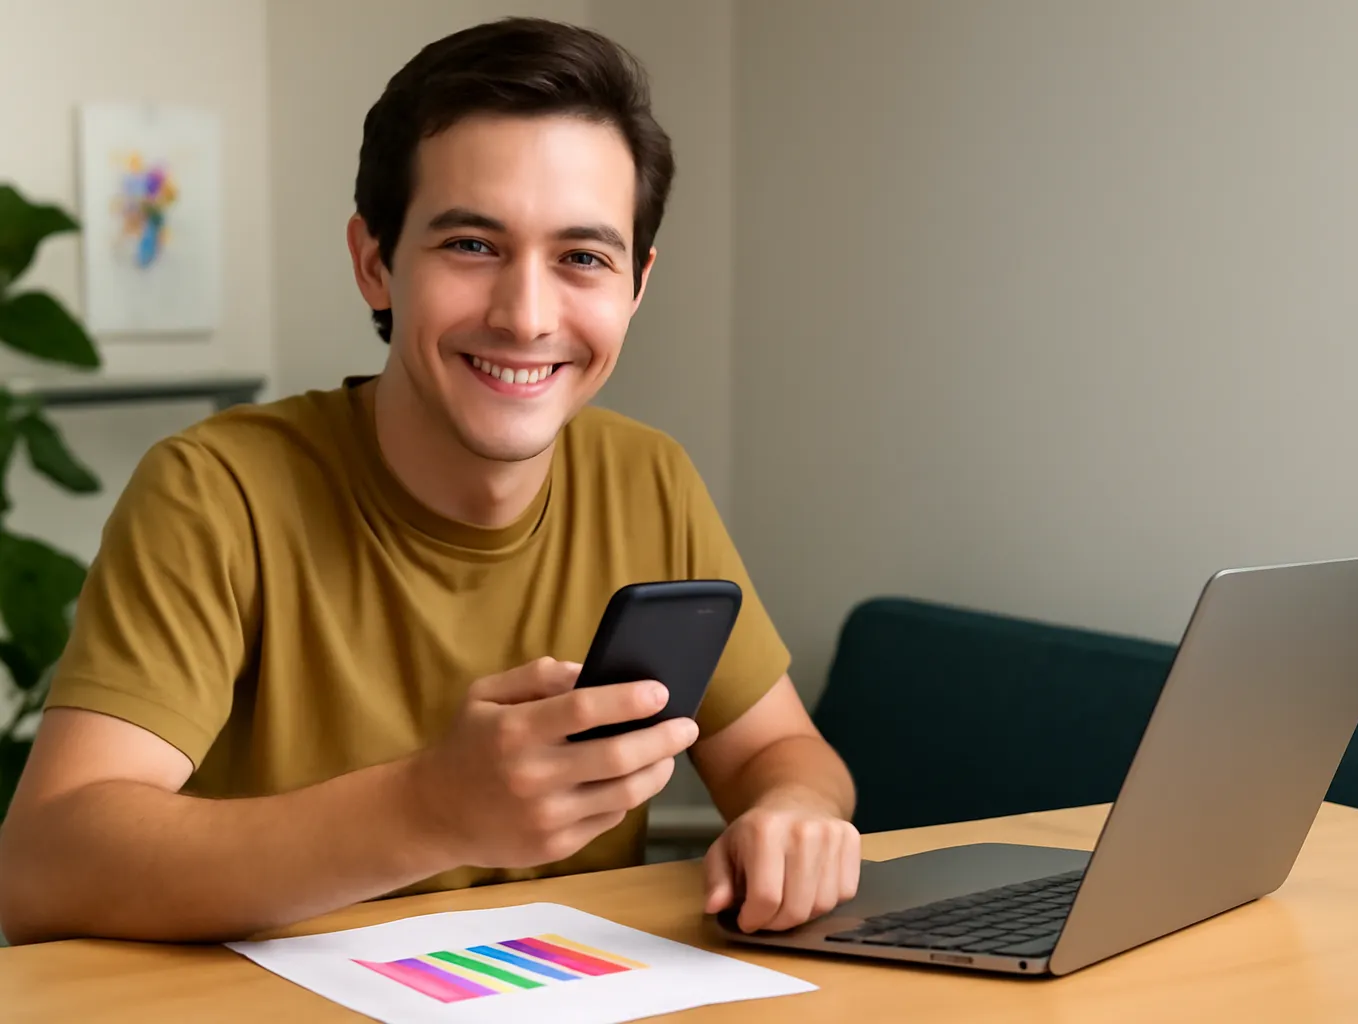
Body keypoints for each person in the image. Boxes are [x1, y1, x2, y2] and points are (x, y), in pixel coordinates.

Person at [0, 17, 858, 945]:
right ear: (376, 263)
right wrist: (429, 810)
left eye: (583, 258)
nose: (527, 316)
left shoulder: (648, 476)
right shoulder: (215, 491)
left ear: (636, 284)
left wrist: (794, 813)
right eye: (472, 246)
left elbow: (782, 750)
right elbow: (44, 867)